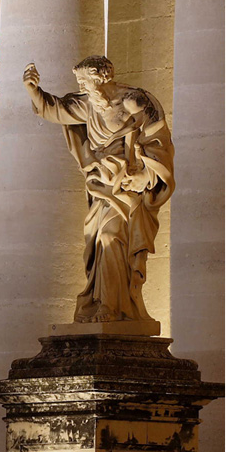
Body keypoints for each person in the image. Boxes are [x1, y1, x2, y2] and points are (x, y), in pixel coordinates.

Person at [23, 55, 174, 323]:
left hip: (127, 184)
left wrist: (146, 175)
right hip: (100, 185)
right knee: (95, 244)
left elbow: (158, 140)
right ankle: (100, 300)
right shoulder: (87, 104)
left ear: (102, 78)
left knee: (111, 236)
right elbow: (55, 109)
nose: (81, 86)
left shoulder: (134, 101)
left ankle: (113, 306)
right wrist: (34, 90)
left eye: (84, 81)